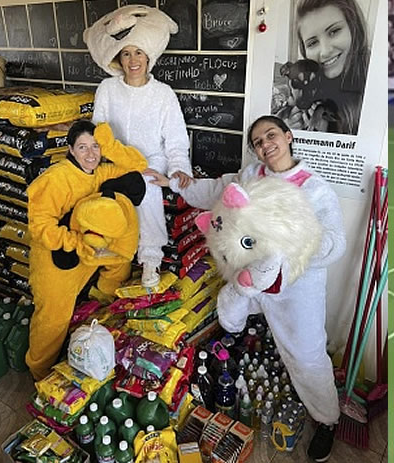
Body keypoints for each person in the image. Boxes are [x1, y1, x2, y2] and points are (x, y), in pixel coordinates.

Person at [146, 115, 346, 462]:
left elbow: (335, 242)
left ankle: (327, 419)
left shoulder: (315, 189)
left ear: (288, 136)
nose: (266, 144)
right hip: (250, 280)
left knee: (307, 354)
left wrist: (290, 248)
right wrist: (175, 183)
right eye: (258, 141)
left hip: (298, 286)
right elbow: (216, 192)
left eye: (271, 135)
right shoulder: (251, 176)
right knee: (234, 317)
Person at [25, 120, 147, 380]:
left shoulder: (99, 173)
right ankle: (39, 370)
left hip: (86, 251)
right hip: (54, 258)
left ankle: (101, 309)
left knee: (120, 260)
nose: (91, 154)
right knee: (53, 319)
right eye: (82, 147)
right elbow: (40, 227)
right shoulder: (56, 178)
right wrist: (77, 243)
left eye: (95, 146)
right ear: (70, 149)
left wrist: (111, 146)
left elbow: (138, 165)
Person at [92, 40, 193, 288]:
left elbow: (176, 139)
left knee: (147, 185)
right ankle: (103, 252)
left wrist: (178, 170)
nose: (133, 60)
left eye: (138, 53)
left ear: (148, 57)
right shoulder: (107, 88)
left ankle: (150, 258)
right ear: (119, 59)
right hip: (115, 158)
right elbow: (98, 129)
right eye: (126, 54)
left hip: (151, 159)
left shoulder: (163, 93)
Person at [284, 0, 369, 134]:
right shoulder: (307, 86)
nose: (325, 52)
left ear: (354, 28)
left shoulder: (380, 81)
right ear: (304, 50)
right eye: (312, 43)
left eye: (334, 31)